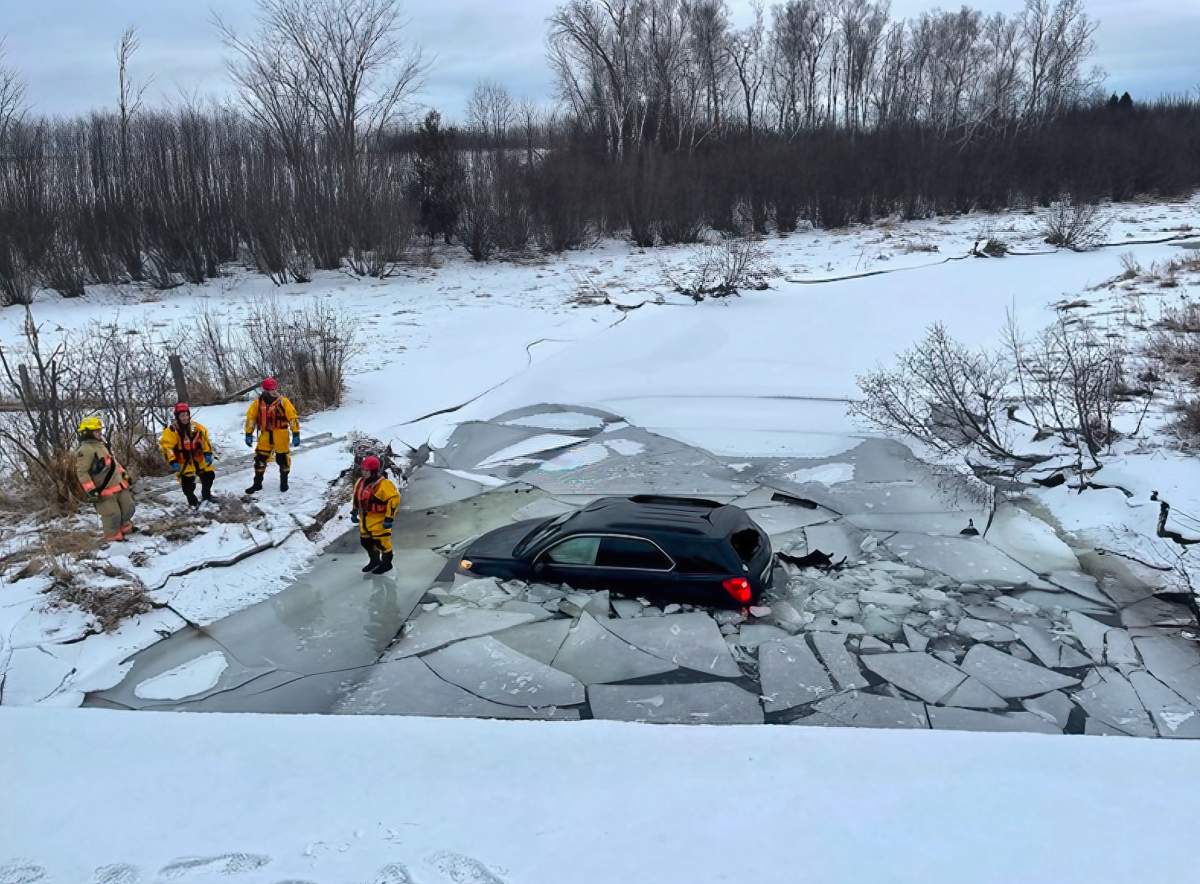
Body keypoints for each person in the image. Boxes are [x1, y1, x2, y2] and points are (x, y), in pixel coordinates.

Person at [73, 415, 136, 542]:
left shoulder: (101, 445)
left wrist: (125, 475)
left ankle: (126, 528)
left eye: (99, 430)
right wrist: (92, 491)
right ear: (88, 433)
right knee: (112, 515)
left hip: (119, 485)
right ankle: (113, 538)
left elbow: (114, 463)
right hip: (103, 491)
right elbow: (82, 473)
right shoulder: (85, 450)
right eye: (97, 431)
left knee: (128, 507)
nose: (100, 433)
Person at [243, 377, 300, 494]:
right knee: (260, 459)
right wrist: (248, 433)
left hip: (281, 433)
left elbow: (293, 418)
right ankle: (257, 484)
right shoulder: (258, 403)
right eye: (271, 389)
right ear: (265, 390)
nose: (274, 391)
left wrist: (296, 433)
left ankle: (284, 482)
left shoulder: (284, 401)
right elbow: (251, 418)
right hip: (265, 434)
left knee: (282, 459)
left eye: (275, 388)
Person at [350, 455, 400, 574]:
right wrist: (354, 511)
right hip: (365, 520)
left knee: (382, 543)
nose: (364, 472)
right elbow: (357, 497)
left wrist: (389, 518)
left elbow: (394, 499)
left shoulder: (384, 485)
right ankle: (375, 560)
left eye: (367, 470)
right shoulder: (360, 482)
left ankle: (387, 563)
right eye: (363, 470)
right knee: (366, 542)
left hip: (378, 521)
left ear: (373, 471)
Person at [159, 403, 215, 507]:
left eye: (186, 415)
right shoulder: (172, 431)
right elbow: (167, 447)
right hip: (183, 461)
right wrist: (172, 460)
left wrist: (207, 452)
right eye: (182, 416)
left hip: (198, 458)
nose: (185, 418)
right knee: (187, 484)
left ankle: (206, 495)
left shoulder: (196, 427)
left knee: (209, 475)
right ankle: (193, 502)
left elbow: (204, 440)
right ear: (177, 417)